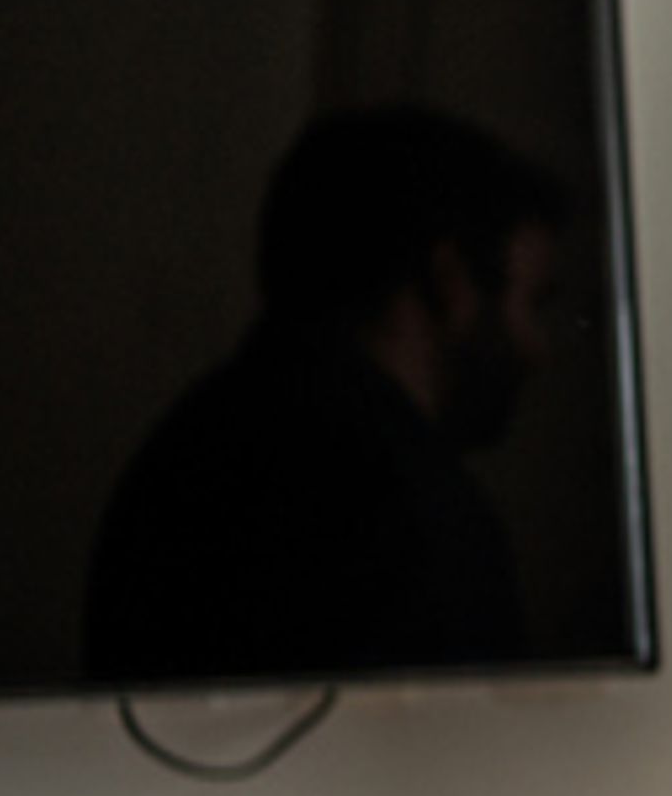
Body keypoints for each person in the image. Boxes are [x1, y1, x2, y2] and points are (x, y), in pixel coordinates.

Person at [84, 102, 561, 680]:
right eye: (533, 304)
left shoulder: (178, 459)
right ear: (450, 281)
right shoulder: (424, 521)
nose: (540, 350)